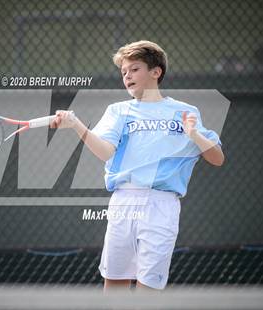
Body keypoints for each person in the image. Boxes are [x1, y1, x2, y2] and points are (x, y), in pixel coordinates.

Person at [51, 40, 224, 290]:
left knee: (148, 290)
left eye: (134, 69)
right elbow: (104, 151)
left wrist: (194, 135)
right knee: (116, 284)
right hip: (123, 202)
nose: (127, 76)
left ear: (156, 72)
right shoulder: (118, 111)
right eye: (123, 72)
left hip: (162, 205)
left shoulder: (185, 111)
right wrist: (77, 125)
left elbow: (217, 158)